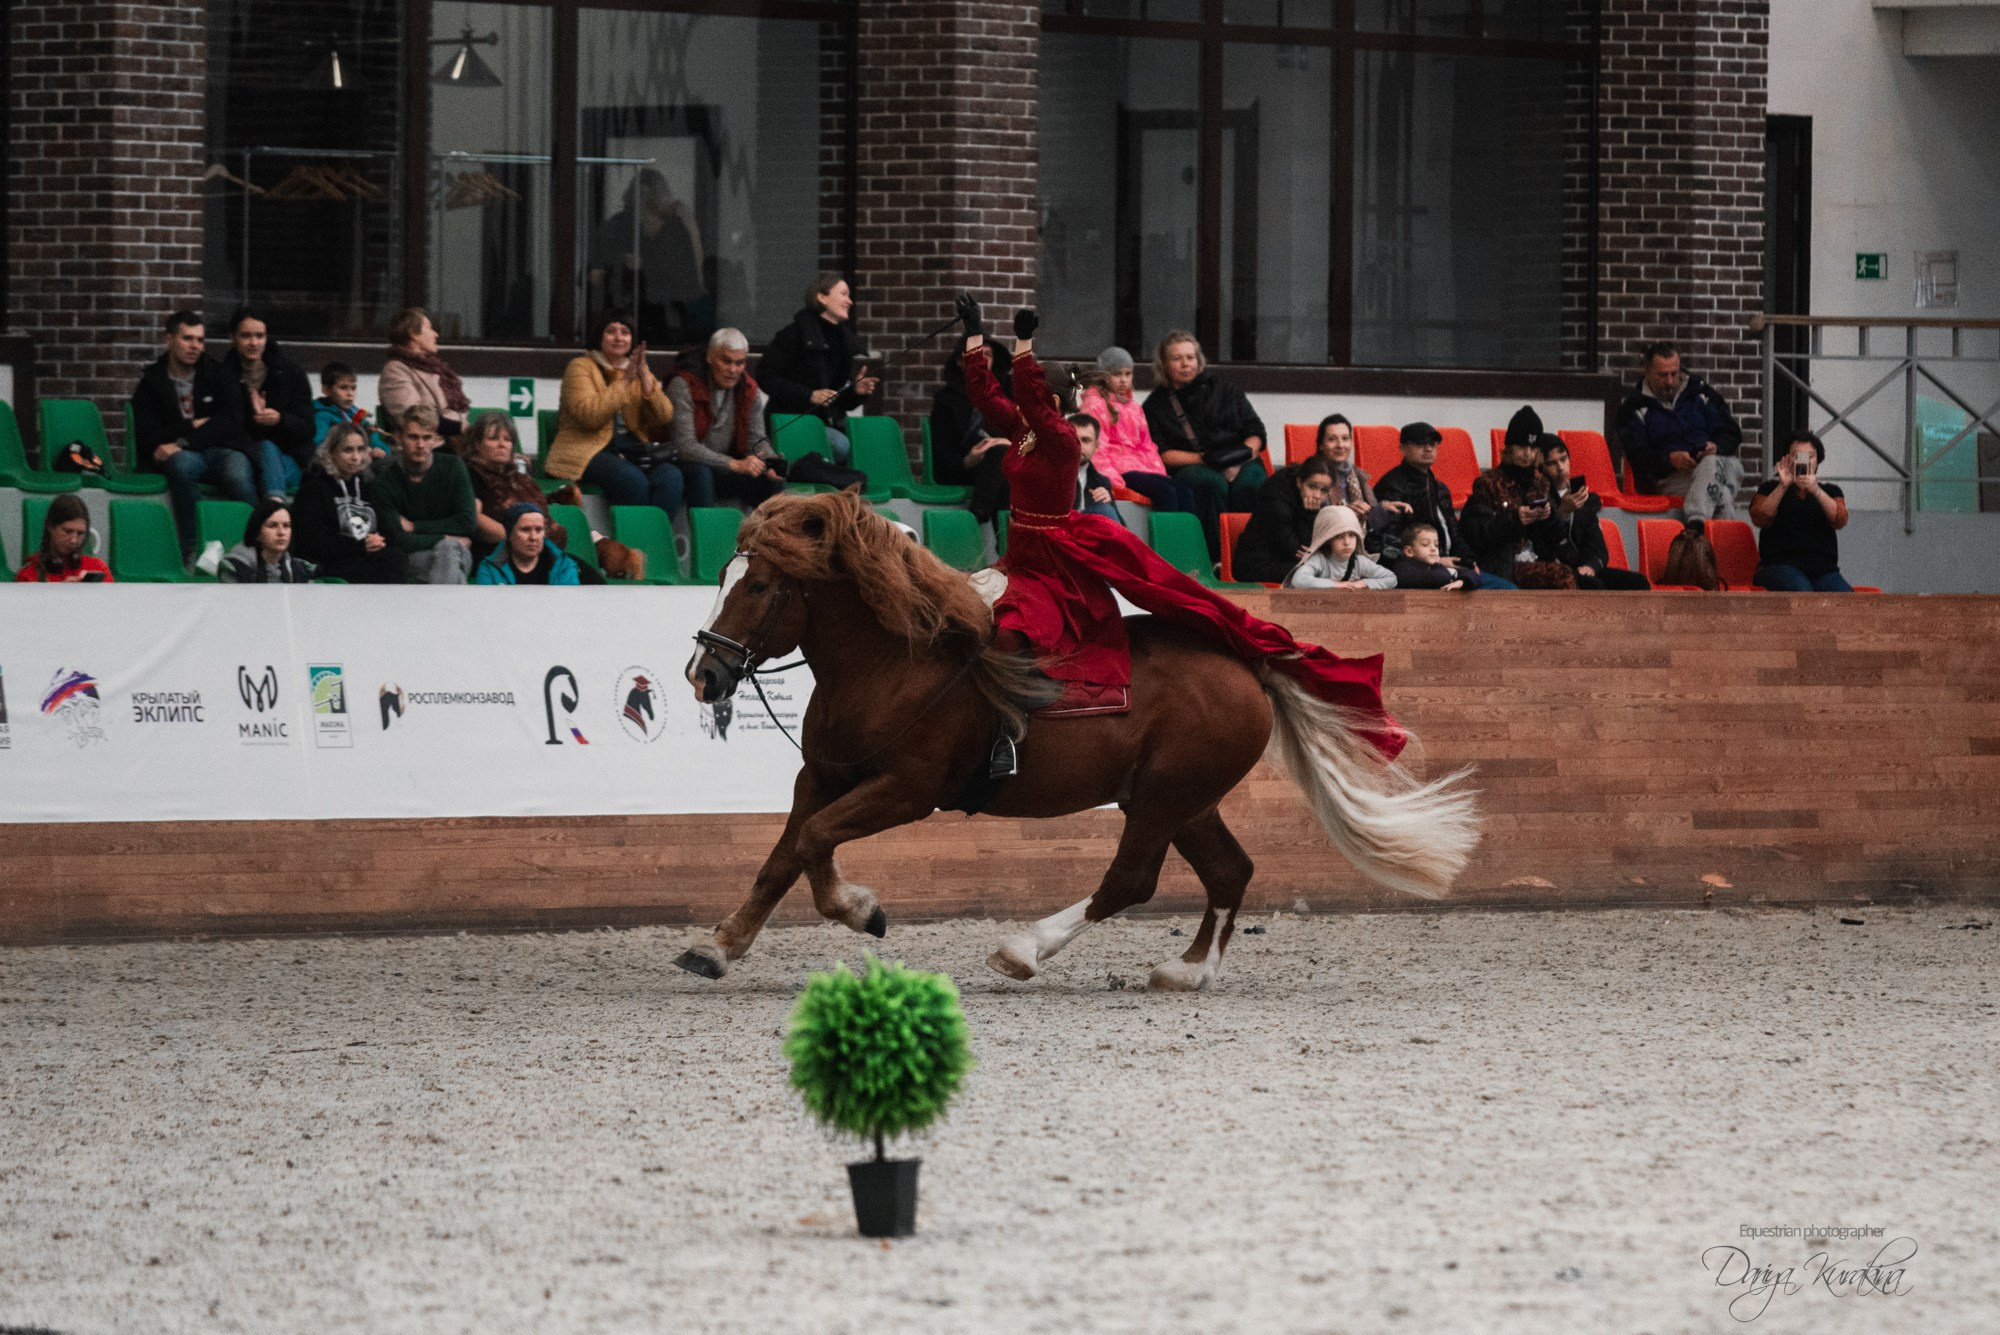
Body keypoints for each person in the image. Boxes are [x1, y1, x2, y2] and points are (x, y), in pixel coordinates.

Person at [954, 294, 1404, 760]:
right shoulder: (1025, 428)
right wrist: (973, 334)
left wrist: (1024, 343)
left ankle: (1015, 729)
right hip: (1022, 549)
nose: (1014, 394)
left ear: (1047, 401)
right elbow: (986, 395)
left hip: (1052, 556)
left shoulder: (1061, 439)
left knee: (1019, 635)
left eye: (1026, 389)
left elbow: (1025, 393)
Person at [1141, 331, 1268, 560]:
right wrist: (1208, 461)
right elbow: (1161, 454)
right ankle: (1216, 560)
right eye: (1177, 358)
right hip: (1194, 464)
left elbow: (1256, 433)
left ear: (1199, 361)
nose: (1185, 364)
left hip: (1241, 460)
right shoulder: (1155, 405)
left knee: (1252, 483)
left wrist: (1238, 460)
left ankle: (1253, 557)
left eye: (1190, 357)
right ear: (1164, 364)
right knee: (1210, 484)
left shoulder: (1225, 388)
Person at [543, 309, 680, 514]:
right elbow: (590, 416)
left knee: (670, 477)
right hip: (588, 449)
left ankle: (650, 540)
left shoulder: (637, 369)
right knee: (632, 481)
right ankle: (626, 543)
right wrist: (624, 382)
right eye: (611, 331)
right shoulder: (580, 367)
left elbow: (664, 416)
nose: (618, 338)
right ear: (600, 336)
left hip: (630, 449)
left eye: (625, 332)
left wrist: (645, 379)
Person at [1373, 423, 1515, 586]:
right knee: (1501, 589)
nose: (1428, 449)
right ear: (1403, 448)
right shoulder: (1391, 487)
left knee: (1506, 589)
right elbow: (1389, 545)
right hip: (1418, 569)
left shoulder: (1440, 488)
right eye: (1420, 444)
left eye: (1432, 444)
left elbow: (1454, 533)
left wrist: (1468, 559)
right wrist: (1437, 560)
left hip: (1447, 565)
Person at [757, 273, 878, 464]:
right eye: (844, 294)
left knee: (870, 445)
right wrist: (809, 395)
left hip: (826, 423)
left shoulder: (844, 341)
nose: (850, 301)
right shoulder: (794, 335)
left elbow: (835, 400)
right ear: (822, 297)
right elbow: (765, 375)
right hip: (792, 423)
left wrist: (856, 392)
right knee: (840, 445)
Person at [1616, 342, 1744, 519]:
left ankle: (1694, 533)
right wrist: (1669, 460)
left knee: (1712, 464)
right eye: (1662, 375)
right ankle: (1702, 532)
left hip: (1712, 464)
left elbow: (1731, 432)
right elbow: (1638, 456)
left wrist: (1716, 447)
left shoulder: (1700, 392)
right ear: (1647, 371)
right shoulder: (1633, 408)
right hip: (1672, 477)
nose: (1669, 381)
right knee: (1721, 495)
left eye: (1674, 374)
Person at [665, 328, 785, 510]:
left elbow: (756, 439)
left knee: (771, 482)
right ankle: (707, 536)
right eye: (726, 361)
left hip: (726, 466)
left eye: (740, 363)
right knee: (700, 473)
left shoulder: (749, 389)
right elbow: (684, 446)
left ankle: (773, 536)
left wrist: (771, 461)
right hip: (685, 463)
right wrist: (733, 464)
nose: (733, 370)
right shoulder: (683, 384)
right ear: (710, 357)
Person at [585, 169, 707, 346]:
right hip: (621, 320)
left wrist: (646, 266)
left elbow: (691, 283)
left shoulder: (675, 231)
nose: (645, 199)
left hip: (667, 321)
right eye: (640, 193)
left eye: (650, 194)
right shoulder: (618, 226)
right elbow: (594, 274)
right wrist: (619, 265)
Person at [1079, 347, 1194, 515]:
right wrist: (1113, 480)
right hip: (1120, 471)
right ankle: (1165, 539)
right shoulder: (1094, 405)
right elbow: (1097, 449)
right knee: (1166, 493)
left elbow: (1147, 446)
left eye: (1128, 374)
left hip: (1142, 469)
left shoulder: (1134, 408)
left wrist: (1158, 473)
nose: (1123, 380)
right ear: (1103, 376)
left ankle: (1186, 539)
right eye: (1117, 374)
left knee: (1185, 492)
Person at [291, 422, 409, 585]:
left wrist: (379, 541)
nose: (356, 457)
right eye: (348, 450)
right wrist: (360, 546)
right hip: (330, 562)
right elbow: (313, 542)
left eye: (360, 449)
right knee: (364, 571)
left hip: (366, 555)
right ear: (331, 453)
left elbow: (388, 531)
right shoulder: (313, 488)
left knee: (396, 559)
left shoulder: (367, 485)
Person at [221, 308, 316, 500]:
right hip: (246, 455)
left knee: (268, 449)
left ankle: (270, 513)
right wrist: (252, 418)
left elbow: (308, 428)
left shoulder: (291, 374)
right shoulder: (222, 376)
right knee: (239, 475)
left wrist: (280, 419)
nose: (254, 343)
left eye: (259, 336)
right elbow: (221, 425)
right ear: (233, 338)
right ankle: (270, 514)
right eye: (246, 336)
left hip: (290, 457)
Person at [1460, 425, 1571, 588]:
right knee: (1563, 576)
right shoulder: (1488, 483)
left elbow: (1554, 538)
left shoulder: (1541, 482)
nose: (1527, 453)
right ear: (1509, 449)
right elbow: (1475, 532)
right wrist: (1513, 519)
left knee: (1574, 576)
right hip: (1502, 563)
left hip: (1536, 557)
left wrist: (1552, 516)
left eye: (1533, 448)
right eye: (1522, 447)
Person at [376, 404, 476, 584]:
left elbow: (467, 523)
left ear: (436, 440)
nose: (420, 445)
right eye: (413, 437)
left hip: (455, 552)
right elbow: (397, 540)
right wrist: (446, 537)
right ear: (400, 438)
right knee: (449, 556)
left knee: (448, 551)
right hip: (414, 556)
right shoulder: (386, 480)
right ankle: (448, 609)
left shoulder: (454, 467)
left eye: (426, 437)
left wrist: (415, 526)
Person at [1536, 435, 1650, 590]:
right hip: (1556, 568)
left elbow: (1597, 544)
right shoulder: (1540, 497)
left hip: (1582, 566)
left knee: (1638, 583)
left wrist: (1590, 565)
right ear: (1541, 469)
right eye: (1552, 463)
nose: (1561, 467)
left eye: (1563, 459)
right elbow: (1544, 543)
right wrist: (1562, 512)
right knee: (1593, 586)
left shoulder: (1582, 496)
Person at [1751, 429, 1852, 592]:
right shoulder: (1770, 488)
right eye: (1796, 455)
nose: (1804, 461)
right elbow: (1760, 517)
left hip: (1824, 571)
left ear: (1817, 460)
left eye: (1810, 456)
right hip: (1778, 567)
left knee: (1848, 601)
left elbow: (1840, 519)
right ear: (1786, 458)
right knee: (1801, 590)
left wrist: (1816, 490)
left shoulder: (1830, 491)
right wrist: (1782, 486)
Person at [458, 411, 567, 562]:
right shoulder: (468, 475)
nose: (502, 444)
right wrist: (517, 539)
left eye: (507, 439)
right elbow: (473, 519)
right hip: (499, 555)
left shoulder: (521, 479)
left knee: (583, 575)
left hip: (539, 551)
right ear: (477, 444)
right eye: (493, 439)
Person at [930, 335, 1014, 523]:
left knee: (1001, 455)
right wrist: (968, 460)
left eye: (988, 355)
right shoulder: (946, 400)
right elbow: (941, 454)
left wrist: (1009, 443)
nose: (983, 360)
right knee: (1003, 465)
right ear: (961, 361)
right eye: (976, 355)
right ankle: (1000, 539)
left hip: (1007, 464)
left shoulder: (1008, 390)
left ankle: (978, 514)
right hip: (963, 467)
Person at [1232, 457, 1337, 585]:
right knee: (1321, 573)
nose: (1317, 495)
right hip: (1256, 565)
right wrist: (1309, 515)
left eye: (1324, 490)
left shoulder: (1304, 500)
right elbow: (1300, 552)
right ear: (1299, 482)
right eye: (1312, 486)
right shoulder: (1276, 503)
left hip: (1283, 560)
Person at [378, 307, 471, 439]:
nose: (436, 334)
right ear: (413, 334)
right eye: (430, 328)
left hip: (456, 441)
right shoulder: (395, 371)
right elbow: (413, 418)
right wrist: (459, 429)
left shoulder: (437, 369)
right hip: (429, 445)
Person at [1315, 414, 1395, 538]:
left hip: (1360, 546)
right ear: (1321, 445)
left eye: (1345, 438)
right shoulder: (1313, 477)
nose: (1340, 445)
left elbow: (1372, 524)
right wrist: (1347, 513)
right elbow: (1315, 523)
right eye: (1332, 439)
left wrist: (1384, 509)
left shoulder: (1357, 475)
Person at [1285, 504, 1396, 590]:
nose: (1347, 542)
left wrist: (1363, 583)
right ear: (1328, 539)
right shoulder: (1320, 560)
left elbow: (1391, 579)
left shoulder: (1359, 562)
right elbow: (1298, 580)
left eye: (1352, 535)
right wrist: (1337, 585)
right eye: (1339, 537)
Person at [474, 504, 582, 586]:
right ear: (509, 534)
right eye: (525, 530)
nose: (533, 537)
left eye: (539, 530)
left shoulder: (564, 566)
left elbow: (568, 608)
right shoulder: (489, 570)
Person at [14, 494, 112, 583]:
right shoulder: (27, 575)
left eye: (80, 533)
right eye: (67, 531)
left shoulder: (98, 568)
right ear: (50, 526)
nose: (74, 540)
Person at [220, 498, 316, 584]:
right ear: (257, 533)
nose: (281, 532)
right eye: (272, 525)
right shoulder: (235, 568)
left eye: (286, 526)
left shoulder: (299, 570)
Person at [313, 361, 389, 457]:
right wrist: (362, 451)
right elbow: (320, 447)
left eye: (353, 388)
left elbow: (376, 440)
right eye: (343, 388)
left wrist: (379, 450)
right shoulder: (321, 416)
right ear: (326, 390)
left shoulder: (357, 414)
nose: (350, 394)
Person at [1069, 414, 1121, 523]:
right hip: (1058, 533)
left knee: (1105, 509)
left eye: (1085, 440)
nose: (1078, 445)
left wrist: (1109, 501)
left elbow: (1122, 528)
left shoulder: (1101, 481)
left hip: (1089, 533)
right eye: (1073, 439)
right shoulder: (1048, 473)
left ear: (1096, 446)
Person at [1387, 523, 1469, 591]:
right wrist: (1451, 574)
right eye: (1425, 544)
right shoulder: (1402, 568)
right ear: (1409, 551)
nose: (1433, 548)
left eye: (1436, 545)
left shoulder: (1435, 566)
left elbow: (1472, 573)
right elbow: (1436, 577)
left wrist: (1462, 581)